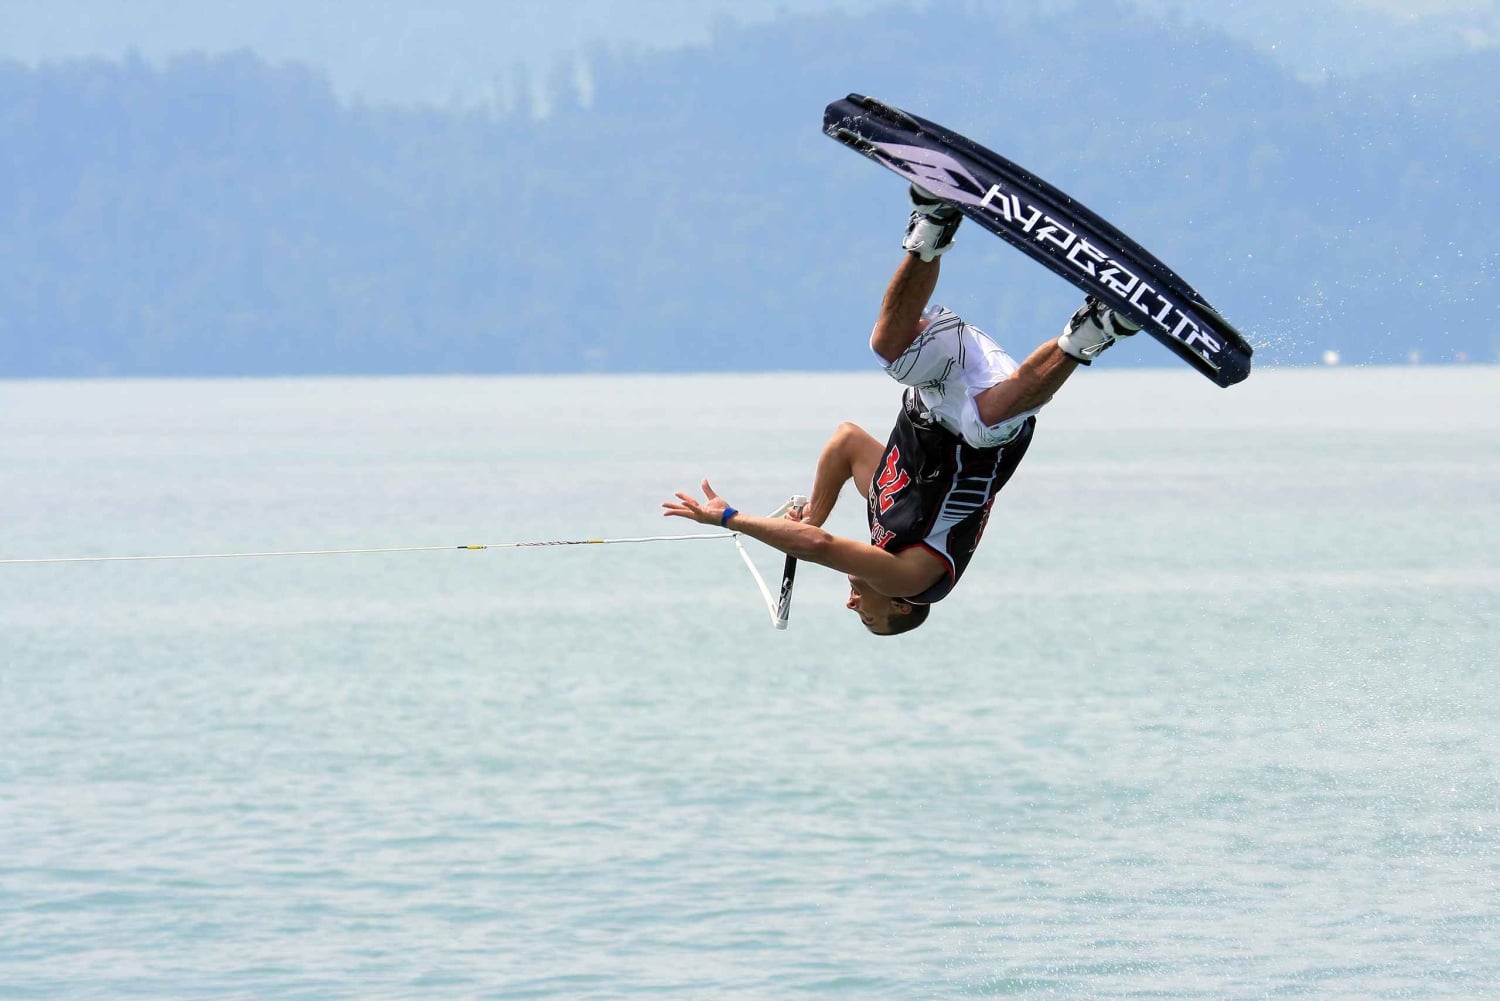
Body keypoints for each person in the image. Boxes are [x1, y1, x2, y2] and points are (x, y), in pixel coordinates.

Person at [663, 186, 1141, 635]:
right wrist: (728, 518)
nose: (852, 607)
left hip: (937, 391)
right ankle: (1098, 328)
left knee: (888, 349)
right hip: (997, 416)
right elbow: (821, 549)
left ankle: (932, 226)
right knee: (981, 425)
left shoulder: (884, 519)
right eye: (867, 620)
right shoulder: (914, 581)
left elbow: (846, 441)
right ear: (898, 606)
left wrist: (816, 513)